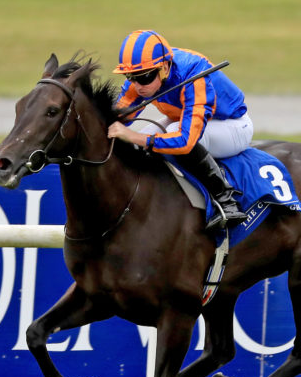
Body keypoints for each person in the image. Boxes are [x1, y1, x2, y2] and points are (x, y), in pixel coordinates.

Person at [107, 29, 253, 231]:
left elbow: (186, 141)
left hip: (233, 125)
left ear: (164, 67)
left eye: (144, 77)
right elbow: (120, 116)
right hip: (183, 116)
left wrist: (137, 136)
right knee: (134, 145)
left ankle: (226, 200)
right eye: (130, 76)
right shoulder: (146, 71)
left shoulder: (194, 74)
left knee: (165, 134)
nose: (137, 85)